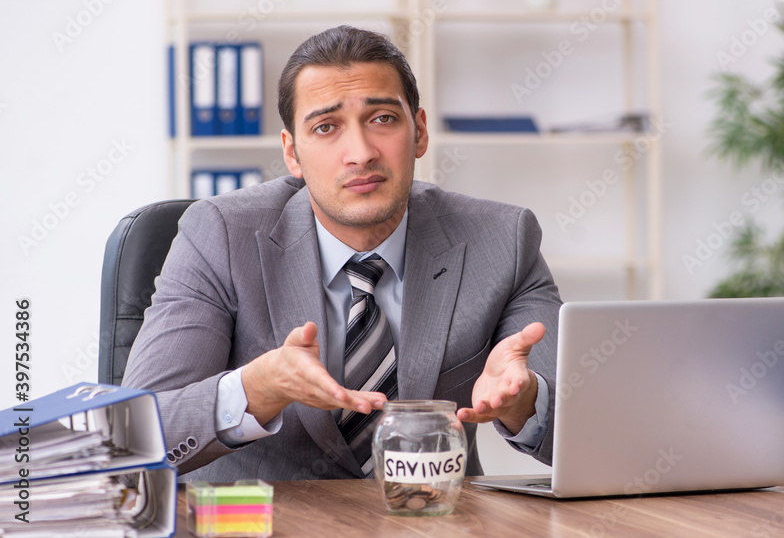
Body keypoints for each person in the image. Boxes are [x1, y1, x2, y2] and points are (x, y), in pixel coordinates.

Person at [122, 25, 561, 481]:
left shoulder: (502, 239)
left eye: (383, 119)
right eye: (326, 127)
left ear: (420, 131)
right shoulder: (219, 236)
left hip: (430, 524)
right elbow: (135, 438)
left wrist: (527, 401)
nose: (361, 153)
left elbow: (590, 426)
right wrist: (257, 389)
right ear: (292, 153)